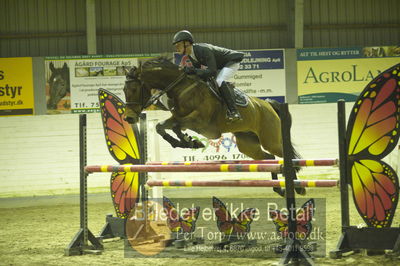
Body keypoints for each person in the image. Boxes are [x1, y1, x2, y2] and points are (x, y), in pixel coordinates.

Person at [172, 30, 244, 122]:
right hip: (220, 66)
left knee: (219, 81)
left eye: (178, 45)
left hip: (231, 62)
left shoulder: (203, 50)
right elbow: (199, 74)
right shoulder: (191, 55)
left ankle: (234, 112)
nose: (176, 48)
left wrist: (191, 70)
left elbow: (212, 71)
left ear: (186, 43)